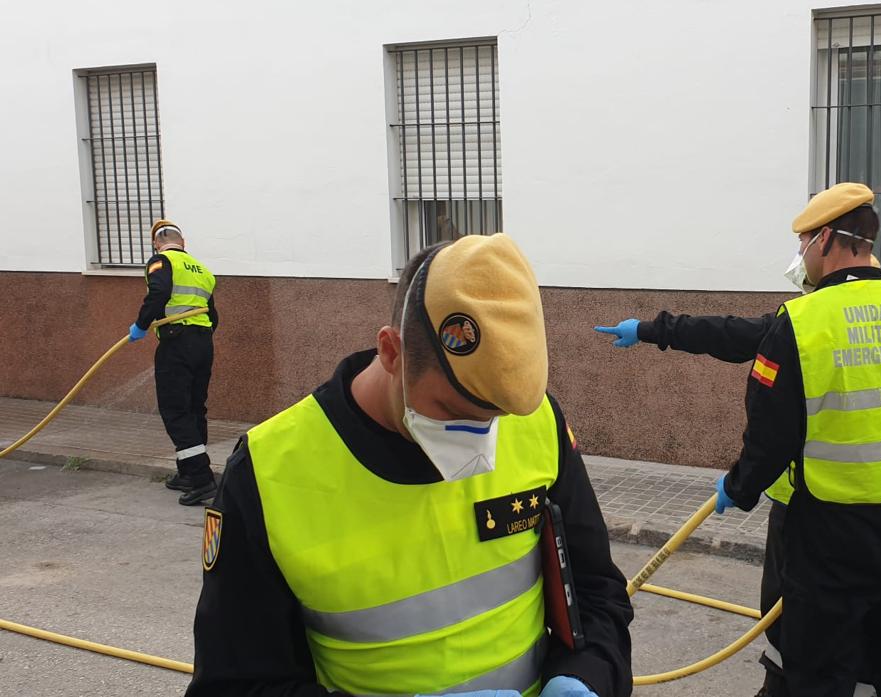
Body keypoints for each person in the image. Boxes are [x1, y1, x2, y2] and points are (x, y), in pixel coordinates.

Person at [187, 234, 633, 697]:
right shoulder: (268, 472)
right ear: (391, 351)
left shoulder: (536, 420)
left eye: (493, 417)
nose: (477, 439)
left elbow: (596, 589)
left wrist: (587, 676)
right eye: (449, 409)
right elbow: (233, 684)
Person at [713, 183, 881, 697]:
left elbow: (770, 436)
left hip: (824, 530)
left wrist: (739, 487)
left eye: (803, 243)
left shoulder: (800, 323)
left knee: (818, 669)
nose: (801, 255)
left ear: (825, 240)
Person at [595, 273, 881, 697]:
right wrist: (650, 330)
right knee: (867, 618)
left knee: (794, 619)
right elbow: (729, 333)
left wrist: (741, 484)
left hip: (809, 511)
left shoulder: (805, 324)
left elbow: (769, 421)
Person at [129, 219, 219, 506]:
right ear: (183, 242)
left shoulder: (161, 261)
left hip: (176, 343)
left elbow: (158, 292)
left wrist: (142, 324)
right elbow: (213, 314)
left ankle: (202, 481)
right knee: (194, 408)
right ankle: (189, 474)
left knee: (176, 411)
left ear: (157, 243)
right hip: (203, 344)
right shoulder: (202, 270)